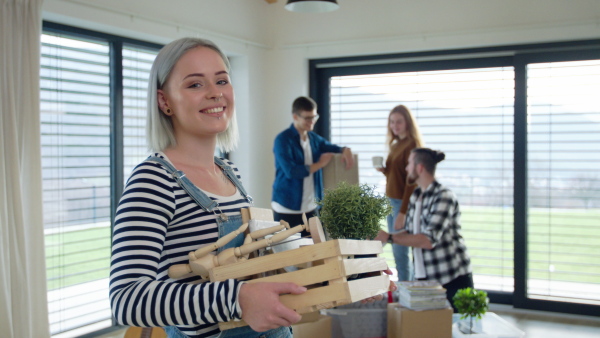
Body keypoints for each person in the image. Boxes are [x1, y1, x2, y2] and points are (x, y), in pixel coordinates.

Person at [109, 37, 308, 338]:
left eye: (221, 80)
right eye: (195, 85)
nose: (215, 93)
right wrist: (236, 299)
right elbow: (126, 299)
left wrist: (341, 274)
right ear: (165, 101)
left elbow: (258, 267)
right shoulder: (153, 181)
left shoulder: (230, 172)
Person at [375, 148, 473, 312]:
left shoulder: (443, 196)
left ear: (419, 168)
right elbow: (411, 234)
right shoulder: (416, 195)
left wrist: (390, 238)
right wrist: (385, 237)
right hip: (426, 279)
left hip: (452, 277)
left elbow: (428, 240)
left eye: (409, 164)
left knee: (456, 329)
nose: (406, 168)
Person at [271, 96, 354, 235]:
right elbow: (292, 171)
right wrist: (320, 164)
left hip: (311, 207)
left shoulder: (314, 139)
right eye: (307, 118)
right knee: (288, 252)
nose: (311, 122)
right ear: (295, 117)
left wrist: (345, 149)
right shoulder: (282, 140)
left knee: (313, 250)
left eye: (314, 117)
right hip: (286, 207)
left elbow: (330, 147)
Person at [376, 105, 423, 281]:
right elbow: (398, 175)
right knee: (397, 250)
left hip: (400, 203)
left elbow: (411, 184)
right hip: (391, 201)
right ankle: (404, 289)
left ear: (407, 123)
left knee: (400, 250)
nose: (395, 125)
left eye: (399, 121)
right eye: (392, 122)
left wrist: (403, 211)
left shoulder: (412, 145)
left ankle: (405, 292)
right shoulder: (396, 144)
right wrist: (385, 171)